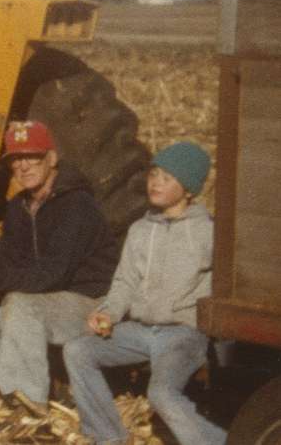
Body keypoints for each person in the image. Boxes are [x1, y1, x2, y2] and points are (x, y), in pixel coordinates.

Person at [62, 142, 227, 445]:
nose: (156, 183)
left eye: (167, 178)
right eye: (154, 175)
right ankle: (108, 436)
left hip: (182, 334)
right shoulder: (140, 230)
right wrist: (108, 313)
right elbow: (124, 281)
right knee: (78, 351)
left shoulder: (208, 232)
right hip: (138, 331)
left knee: (161, 393)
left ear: (189, 189)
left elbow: (227, 283)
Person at [0, 120, 119, 417]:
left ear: (52, 159)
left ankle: (30, 413)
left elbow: (53, 273)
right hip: (46, 301)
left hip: (90, 304)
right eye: (15, 159)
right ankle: (17, 396)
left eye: (31, 156)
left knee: (21, 306)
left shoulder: (77, 205)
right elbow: (10, 266)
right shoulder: (18, 207)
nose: (23, 166)